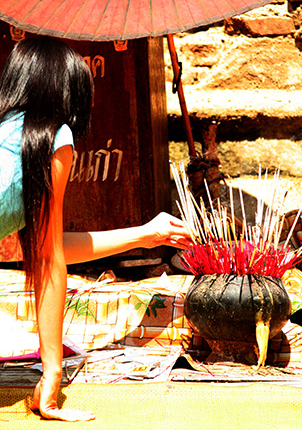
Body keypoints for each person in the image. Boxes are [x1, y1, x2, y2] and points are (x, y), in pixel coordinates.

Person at [0, 35, 193, 421]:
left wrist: (147, 234)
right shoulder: (54, 137)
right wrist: (52, 375)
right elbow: (49, 260)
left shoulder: (10, 134)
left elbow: (45, 247)